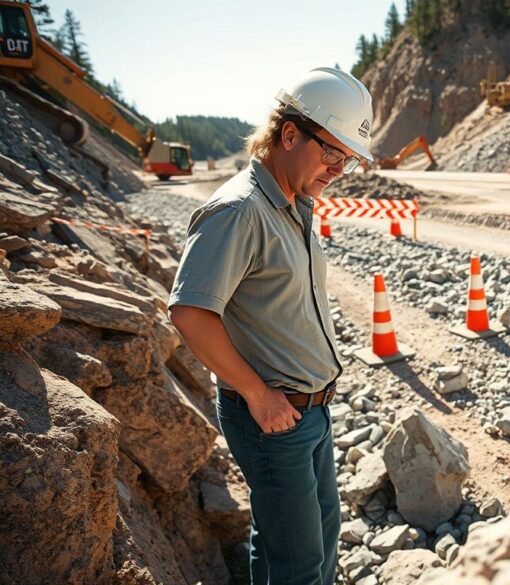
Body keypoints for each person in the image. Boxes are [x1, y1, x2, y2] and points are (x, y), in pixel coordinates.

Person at [168, 67, 373, 585]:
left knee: (314, 539)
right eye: (332, 152)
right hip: (272, 416)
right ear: (289, 134)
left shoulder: (293, 203)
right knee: (298, 564)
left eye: (347, 160)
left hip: (308, 411)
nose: (338, 168)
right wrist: (260, 397)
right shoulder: (240, 210)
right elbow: (190, 312)